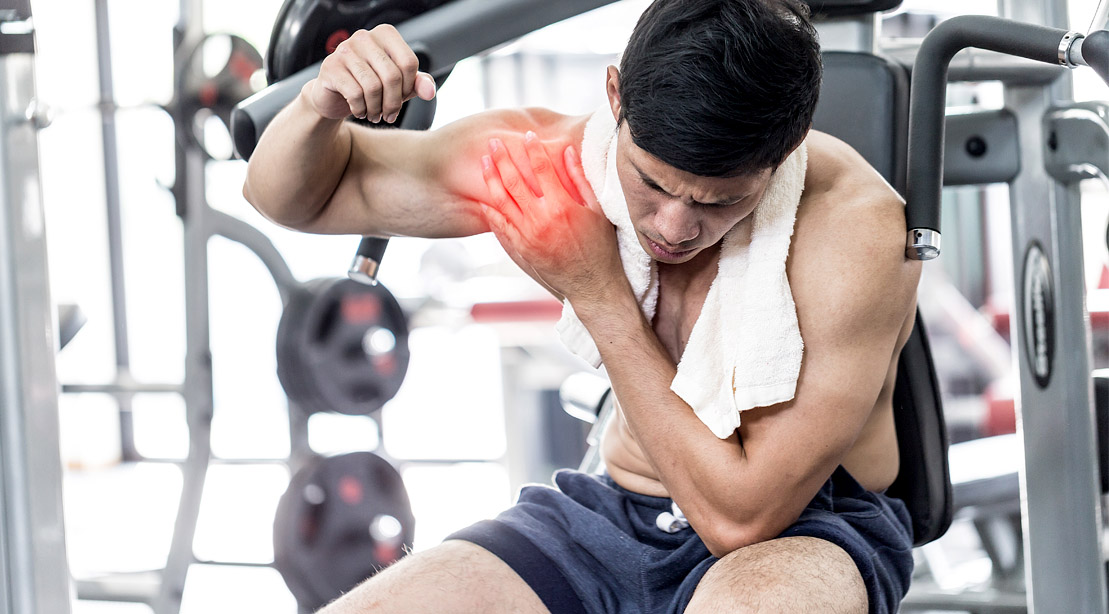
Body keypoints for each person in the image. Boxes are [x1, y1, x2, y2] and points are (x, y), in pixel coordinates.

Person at [244, 0, 920, 611]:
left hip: (806, 529)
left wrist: (595, 289)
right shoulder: (561, 162)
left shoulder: (854, 227)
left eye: (721, 202)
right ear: (614, 98)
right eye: (650, 183)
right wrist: (318, 106)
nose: (674, 227)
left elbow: (741, 520)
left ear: (789, 146)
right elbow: (299, 196)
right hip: (611, 516)